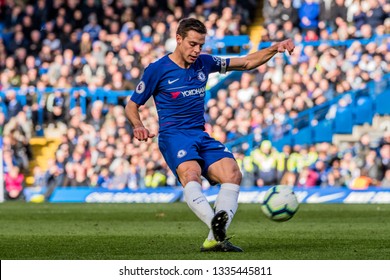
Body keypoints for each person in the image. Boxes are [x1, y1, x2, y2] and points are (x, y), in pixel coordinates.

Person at [125, 18, 295, 252]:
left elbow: (245, 63)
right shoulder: (158, 69)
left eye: (200, 45)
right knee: (191, 173)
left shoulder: (204, 63)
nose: (197, 50)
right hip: (174, 136)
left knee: (232, 173)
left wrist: (274, 48)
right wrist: (138, 125)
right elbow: (132, 105)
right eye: (192, 44)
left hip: (200, 134)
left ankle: (214, 237)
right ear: (178, 39)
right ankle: (216, 228)